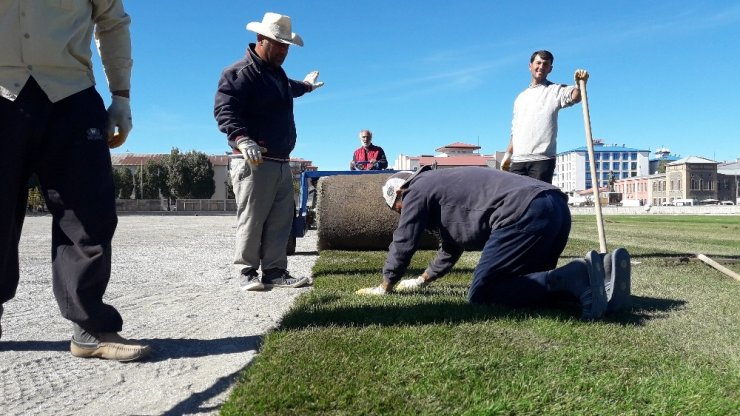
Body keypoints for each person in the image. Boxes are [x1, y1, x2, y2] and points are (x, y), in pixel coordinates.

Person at [0, 0, 150, 361]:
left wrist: (121, 98)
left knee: (88, 213)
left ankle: (90, 327)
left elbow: (113, 22)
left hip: (71, 96)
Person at [357, 166, 632, 320]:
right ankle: (600, 280)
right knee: (528, 285)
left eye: (399, 210)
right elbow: (451, 248)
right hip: (555, 206)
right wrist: (421, 281)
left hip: (524, 211)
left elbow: (404, 239)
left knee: (484, 293)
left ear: (400, 194)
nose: (403, 215)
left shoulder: (416, 189)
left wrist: (386, 286)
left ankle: (577, 276)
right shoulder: (440, 187)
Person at [214, 12, 324, 291]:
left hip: (279, 161)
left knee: (280, 219)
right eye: (280, 45)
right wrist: (241, 138)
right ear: (261, 40)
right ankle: (246, 272)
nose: (285, 51)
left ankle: (275, 271)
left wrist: (308, 87)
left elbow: (290, 88)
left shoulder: (276, 76)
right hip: (253, 160)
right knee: (253, 217)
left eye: (287, 46)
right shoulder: (239, 73)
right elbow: (224, 109)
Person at [501, 50, 589, 183]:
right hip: (518, 160)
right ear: (530, 66)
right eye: (538, 63)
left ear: (550, 69)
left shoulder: (555, 90)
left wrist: (579, 85)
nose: (541, 66)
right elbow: (516, 129)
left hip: (542, 159)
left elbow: (575, 96)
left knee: (538, 201)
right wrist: (508, 153)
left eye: (545, 64)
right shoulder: (521, 98)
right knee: (516, 201)